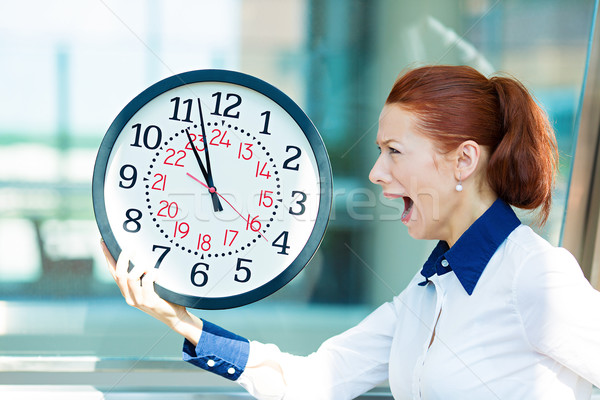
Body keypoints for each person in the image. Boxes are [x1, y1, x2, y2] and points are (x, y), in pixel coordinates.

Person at [101, 65, 600, 399]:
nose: (377, 173)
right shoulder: (428, 292)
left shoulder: (536, 275)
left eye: (394, 151)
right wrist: (181, 322)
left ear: (463, 160)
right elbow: (316, 379)